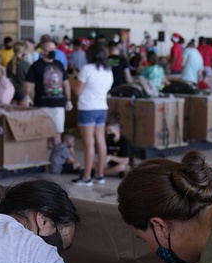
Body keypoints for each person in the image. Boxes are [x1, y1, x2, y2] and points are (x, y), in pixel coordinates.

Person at [70, 42, 113, 186]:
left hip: (87, 108)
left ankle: (86, 177)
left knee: (89, 143)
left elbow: (77, 91)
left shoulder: (86, 69)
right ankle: (99, 175)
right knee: (101, 141)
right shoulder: (108, 70)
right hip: (102, 107)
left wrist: (76, 79)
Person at [23, 39, 73, 148]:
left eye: (54, 49)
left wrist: (68, 100)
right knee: (42, 133)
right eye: (50, 49)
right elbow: (28, 84)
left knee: (57, 133)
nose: (53, 52)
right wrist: (27, 96)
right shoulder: (36, 66)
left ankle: (56, 162)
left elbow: (66, 83)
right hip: (42, 105)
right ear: (44, 51)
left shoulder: (59, 64)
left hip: (58, 105)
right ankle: (41, 159)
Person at [104, 112, 133, 177]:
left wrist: (111, 157)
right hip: (111, 165)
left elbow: (126, 160)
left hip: (124, 165)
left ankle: (102, 173)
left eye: (110, 131)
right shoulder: (108, 141)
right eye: (107, 131)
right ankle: (109, 172)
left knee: (122, 167)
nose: (108, 133)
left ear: (118, 130)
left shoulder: (125, 142)